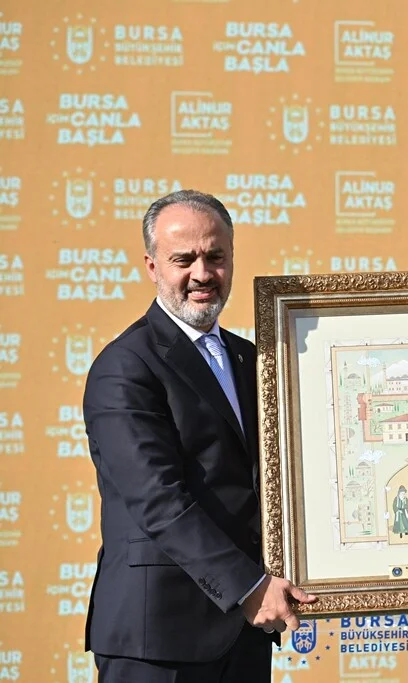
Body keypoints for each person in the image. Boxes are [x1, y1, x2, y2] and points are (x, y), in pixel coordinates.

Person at [82, 189, 316, 682]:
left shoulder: (252, 359)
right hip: (158, 639)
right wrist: (248, 587)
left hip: (244, 636)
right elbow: (157, 499)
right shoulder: (125, 367)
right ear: (152, 266)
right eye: (183, 259)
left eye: (216, 256)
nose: (203, 273)